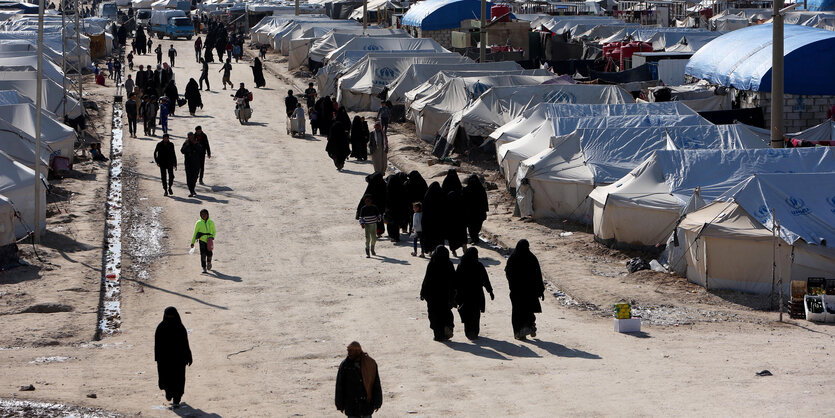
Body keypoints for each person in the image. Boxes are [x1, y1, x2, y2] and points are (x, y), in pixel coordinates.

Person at [505, 239, 545, 340]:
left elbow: (508, 273)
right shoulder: (531, 258)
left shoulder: (513, 258)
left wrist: (512, 285)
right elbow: (538, 275)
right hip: (530, 291)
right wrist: (540, 290)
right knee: (528, 310)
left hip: (517, 291)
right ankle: (530, 327)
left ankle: (519, 332)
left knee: (517, 312)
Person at [155, 307, 192, 409]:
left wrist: (188, 356)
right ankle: (169, 392)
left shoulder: (180, 328)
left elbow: (185, 343)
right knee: (167, 379)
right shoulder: (161, 328)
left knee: (179, 379)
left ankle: (176, 399)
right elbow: (157, 345)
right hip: (165, 360)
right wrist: (158, 358)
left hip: (178, 360)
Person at [335, 341, 382, 417]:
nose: (349, 353)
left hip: (366, 407)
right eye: (348, 351)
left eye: (351, 351)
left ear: (357, 351)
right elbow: (340, 385)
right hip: (352, 407)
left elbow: (376, 384)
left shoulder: (370, 363)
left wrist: (378, 402)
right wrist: (339, 404)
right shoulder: (345, 365)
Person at [455, 247, 494, 340]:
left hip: (464, 294)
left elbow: (456, 281)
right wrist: (490, 291)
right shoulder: (479, 265)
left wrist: (455, 294)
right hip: (477, 294)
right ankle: (474, 332)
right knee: (475, 314)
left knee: (467, 313)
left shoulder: (461, 265)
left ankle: (469, 332)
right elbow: (485, 280)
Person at [420, 246, 456, 341]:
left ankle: (439, 335)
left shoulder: (432, 264)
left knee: (434, 315)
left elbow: (426, 280)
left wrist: (423, 292)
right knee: (445, 314)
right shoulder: (449, 264)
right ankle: (447, 329)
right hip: (445, 296)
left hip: (433, 297)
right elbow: (454, 282)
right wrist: (454, 296)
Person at [463, 174, 488, 244]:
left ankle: (474, 238)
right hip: (470, 213)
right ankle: (474, 239)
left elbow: (484, 201)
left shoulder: (481, 190)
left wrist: (485, 210)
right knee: (471, 228)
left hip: (478, 213)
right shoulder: (466, 190)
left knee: (476, 227)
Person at [420, 182, 444, 256]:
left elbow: (424, 208)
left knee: (429, 235)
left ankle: (430, 250)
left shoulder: (427, 195)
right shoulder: (441, 194)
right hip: (438, 220)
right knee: (438, 236)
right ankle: (438, 251)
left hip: (428, 220)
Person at [385, 172, 410, 242]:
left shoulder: (388, 188)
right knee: (395, 223)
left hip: (390, 209)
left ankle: (392, 236)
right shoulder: (400, 187)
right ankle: (396, 236)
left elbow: (385, 199)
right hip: (398, 209)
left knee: (390, 223)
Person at [181, 132, 204, 197]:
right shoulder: (186, 143)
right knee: (189, 177)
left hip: (196, 163)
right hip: (188, 163)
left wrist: (195, 144)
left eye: (192, 136)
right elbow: (182, 151)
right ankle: (191, 191)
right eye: (189, 136)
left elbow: (201, 150)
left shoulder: (196, 142)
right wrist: (187, 145)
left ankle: (193, 188)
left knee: (195, 177)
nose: (191, 138)